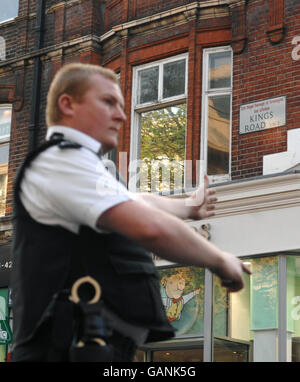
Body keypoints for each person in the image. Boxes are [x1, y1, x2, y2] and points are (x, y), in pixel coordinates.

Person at [10, 63, 250, 362]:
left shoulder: (79, 165)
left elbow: (137, 201)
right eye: (108, 102)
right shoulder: (59, 161)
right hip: (62, 350)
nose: (122, 116)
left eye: (122, 106)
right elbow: (149, 227)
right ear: (67, 104)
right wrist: (218, 259)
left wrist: (187, 207)